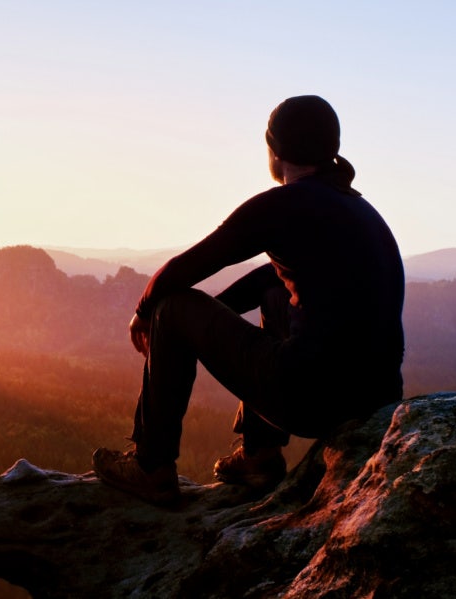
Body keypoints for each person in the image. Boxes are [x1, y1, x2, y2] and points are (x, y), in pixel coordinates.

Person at [92, 95, 405, 506]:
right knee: (275, 294)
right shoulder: (358, 207)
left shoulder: (282, 204)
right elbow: (271, 278)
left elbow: (189, 266)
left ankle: (151, 465)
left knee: (171, 305)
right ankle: (260, 455)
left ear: (275, 152)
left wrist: (146, 312)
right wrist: (208, 322)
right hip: (374, 399)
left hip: (313, 400)